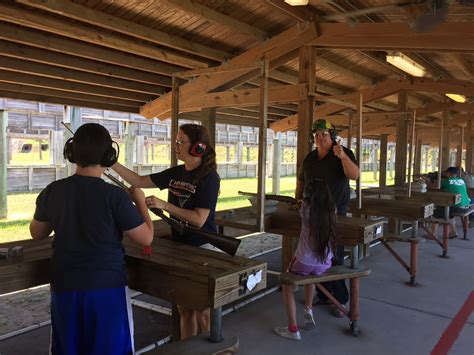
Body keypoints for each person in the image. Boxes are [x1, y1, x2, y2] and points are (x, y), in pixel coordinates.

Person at [29, 123, 154, 355]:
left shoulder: (52, 191)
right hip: (106, 289)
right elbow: (146, 237)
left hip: (65, 286)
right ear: (109, 155)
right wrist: (140, 202)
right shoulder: (114, 196)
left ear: (72, 153)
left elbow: (37, 232)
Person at [111, 123, 220, 340]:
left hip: (202, 248)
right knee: (185, 309)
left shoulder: (209, 178)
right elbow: (139, 180)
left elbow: (199, 220)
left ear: (198, 147)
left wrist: (165, 205)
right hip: (180, 246)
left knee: (204, 312)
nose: (175, 145)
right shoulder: (176, 173)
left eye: (181, 141)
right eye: (176, 141)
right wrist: (111, 162)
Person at [295, 119, 359, 317]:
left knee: (334, 255)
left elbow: (354, 175)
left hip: (335, 213)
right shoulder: (310, 158)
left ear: (332, 135)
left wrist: (342, 157)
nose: (320, 137)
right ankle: (323, 295)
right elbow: (301, 181)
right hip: (312, 211)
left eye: (324, 133)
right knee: (315, 252)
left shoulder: (342, 153)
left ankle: (340, 298)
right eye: (317, 134)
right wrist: (298, 201)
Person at [274, 179, 337, 341]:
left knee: (287, 286)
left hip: (304, 260)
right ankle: (308, 310)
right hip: (324, 262)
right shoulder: (332, 209)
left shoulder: (305, 209)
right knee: (311, 279)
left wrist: (302, 202)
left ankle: (293, 329)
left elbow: (303, 208)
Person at [432, 166, 473, 237]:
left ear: (448, 173)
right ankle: (453, 232)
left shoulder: (446, 181)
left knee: (435, 214)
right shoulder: (461, 180)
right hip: (466, 206)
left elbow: (435, 186)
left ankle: (433, 234)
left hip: (457, 207)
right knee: (450, 212)